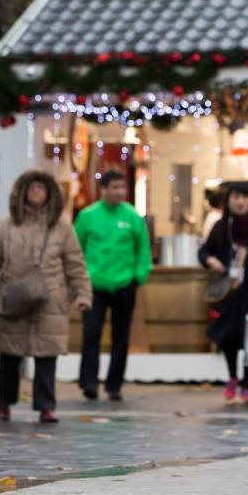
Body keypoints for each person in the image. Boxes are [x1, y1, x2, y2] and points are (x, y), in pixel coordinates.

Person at [0, 171, 92, 423]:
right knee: (9, 355)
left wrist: (82, 293)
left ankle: (46, 406)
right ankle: (5, 401)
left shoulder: (62, 227)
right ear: (22, 192)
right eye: (32, 187)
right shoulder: (7, 225)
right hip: (13, 297)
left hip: (50, 299)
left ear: (50, 193)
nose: (36, 191)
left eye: (41, 187)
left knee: (46, 356)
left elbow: (75, 263)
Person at [74, 171, 151, 401]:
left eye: (122, 188)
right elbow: (75, 249)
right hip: (94, 286)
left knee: (121, 337)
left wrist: (139, 276)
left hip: (124, 284)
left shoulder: (133, 217)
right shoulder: (87, 216)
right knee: (91, 334)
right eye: (115, 187)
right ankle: (89, 382)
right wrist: (80, 279)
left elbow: (143, 249)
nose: (120, 192)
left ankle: (114, 385)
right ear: (103, 189)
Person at [200, 184, 248, 403]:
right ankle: (233, 376)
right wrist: (210, 260)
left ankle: (247, 383)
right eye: (236, 197)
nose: (240, 202)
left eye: (244, 197)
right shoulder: (222, 227)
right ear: (228, 200)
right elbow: (204, 251)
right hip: (230, 292)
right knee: (228, 337)